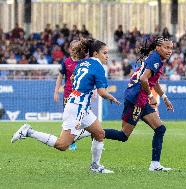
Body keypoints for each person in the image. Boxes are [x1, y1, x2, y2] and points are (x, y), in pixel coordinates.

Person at [11, 39, 121, 173]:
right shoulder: (98, 67)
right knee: (62, 145)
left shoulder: (82, 63)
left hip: (80, 106)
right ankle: (28, 131)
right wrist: (112, 97)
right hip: (77, 108)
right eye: (105, 53)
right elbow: (102, 92)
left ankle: (95, 166)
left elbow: (73, 78)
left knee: (99, 133)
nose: (107, 56)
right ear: (96, 53)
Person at [104, 36, 174, 171]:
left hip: (137, 98)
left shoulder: (156, 58)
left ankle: (155, 165)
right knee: (123, 135)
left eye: (171, 48)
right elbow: (143, 79)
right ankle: (92, 131)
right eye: (166, 47)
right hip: (137, 99)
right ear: (158, 48)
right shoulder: (155, 59)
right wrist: (150, 96)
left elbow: (154, 81)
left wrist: (164, 97)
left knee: (160, 129)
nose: (169, 51)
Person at [54, 40, 90, 151]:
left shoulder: (84, 62)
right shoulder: (66, 62)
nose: (76, 50)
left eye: (78, 48)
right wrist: (56, 91)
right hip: (68, 95)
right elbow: (60, 76)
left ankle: (96, 139)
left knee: (86, 118)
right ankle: (70, 142)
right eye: (74, 48)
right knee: (69, 120)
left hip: (81, 94)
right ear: (70, 49)